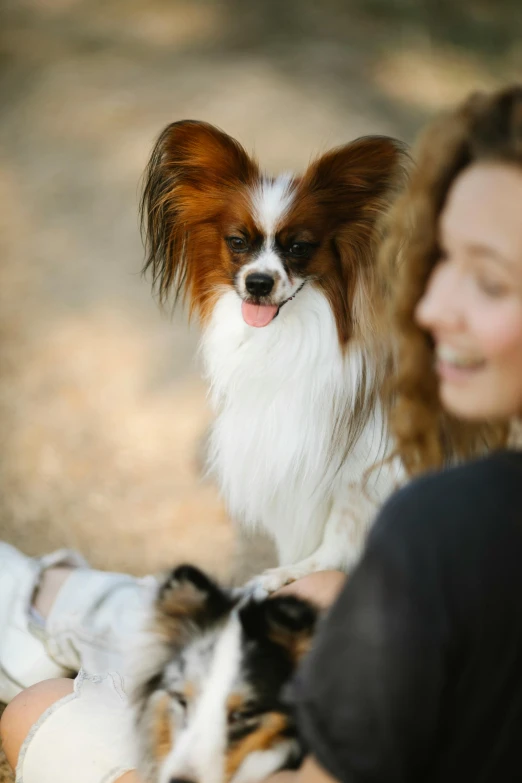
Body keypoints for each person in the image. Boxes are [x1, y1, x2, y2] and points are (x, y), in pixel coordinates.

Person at [2, 83, 522, 783]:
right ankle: (41, 601)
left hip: (273, 709)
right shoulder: (472, 506)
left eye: (489, 281)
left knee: (37, 703)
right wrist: (331, 582)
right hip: (313, 642)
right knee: (72, 601)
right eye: (440, 262)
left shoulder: (451, 517)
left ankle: (37, 617)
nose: (427, 305)